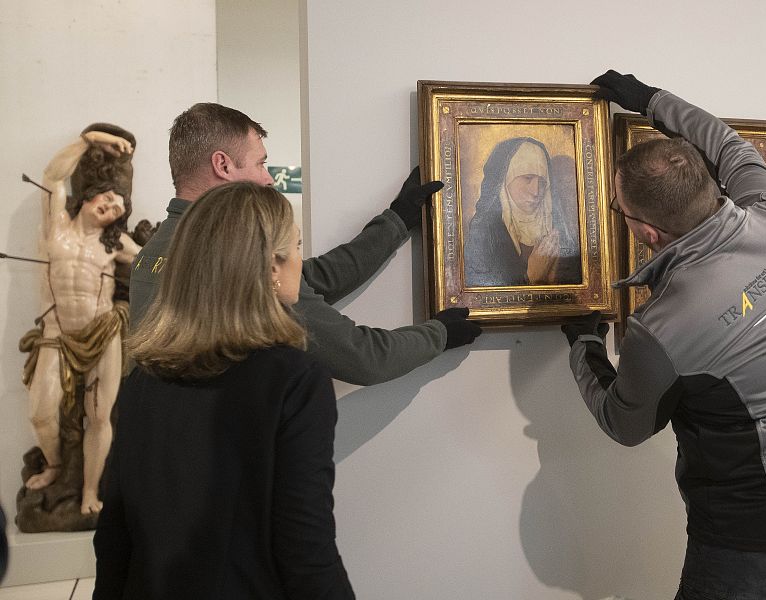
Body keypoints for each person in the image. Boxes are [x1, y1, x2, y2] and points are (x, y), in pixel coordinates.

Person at [562, 71, 766, 599]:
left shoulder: (664, 325)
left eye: (620, 209)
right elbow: (727, 143)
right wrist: (651, 99)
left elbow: (625, 423)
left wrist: (584, 347)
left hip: (759, 546)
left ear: (646, 232)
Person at [94, 182, 355, 599]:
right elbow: (306, 550)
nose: (300, 261)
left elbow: (113, 540)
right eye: (297, 246)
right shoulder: (292, 379)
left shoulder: (143, 378)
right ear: (272, 267)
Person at [129, 103, 481, 385]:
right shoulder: (232, 257)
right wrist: (439, 334)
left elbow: (313, 278)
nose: (268, 179)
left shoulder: (153, 251)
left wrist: (397, 219)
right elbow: (361, 356)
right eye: (261, 163)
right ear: (222, 165)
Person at [22, 125, 140, 515]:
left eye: (118, 208)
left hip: (102, 330)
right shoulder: (56, 228)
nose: (112, 207)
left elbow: (151, 264)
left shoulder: (114, 243)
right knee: (41, 412)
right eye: (108, 199)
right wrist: (92, 140)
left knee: (100, 415)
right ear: (89, 198)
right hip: (57, 333)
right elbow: (53, 177)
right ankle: (55, 466)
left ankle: (90, 491)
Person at [464, 136, 580, 287]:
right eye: (528, 178)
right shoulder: (483, 232)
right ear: (506, 179)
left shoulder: (558, 230)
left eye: (542, 182)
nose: (536, 191)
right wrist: (532, 277)